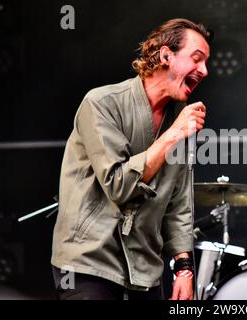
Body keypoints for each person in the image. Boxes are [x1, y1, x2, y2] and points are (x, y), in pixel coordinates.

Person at [51, 18, 211, 300]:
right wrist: (173, 135)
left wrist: (184, 269)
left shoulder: (180, 121)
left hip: (144, 269)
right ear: (165, 55)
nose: (205, 71)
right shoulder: (101, 103)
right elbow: (118, 185)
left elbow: (179, 205)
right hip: (89, 263)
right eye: (197, 59)